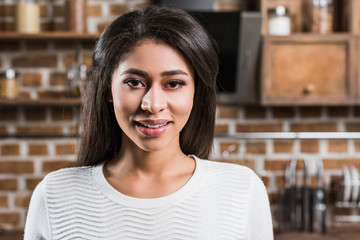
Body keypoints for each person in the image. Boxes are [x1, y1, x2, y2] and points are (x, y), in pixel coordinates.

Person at [24, 6, 273, 240]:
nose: (152, 104)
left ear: (197, 92)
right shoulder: (54, 195)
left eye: (174, 83)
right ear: (108, 89)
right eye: (134, 82)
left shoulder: (242, 190)